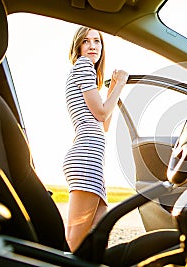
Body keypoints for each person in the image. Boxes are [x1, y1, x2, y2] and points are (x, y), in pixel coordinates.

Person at [63, 26, 128, 252]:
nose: (92, 46)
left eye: (97, 41)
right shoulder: (83, 66)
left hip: (91, 158)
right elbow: (101, 113)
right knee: (75, 241)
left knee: (99, 235)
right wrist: (120, 85)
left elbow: (105, 123)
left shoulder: (87, 73)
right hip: (85, 157)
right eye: (86, 41)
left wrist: (112, 88)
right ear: (78, 46)